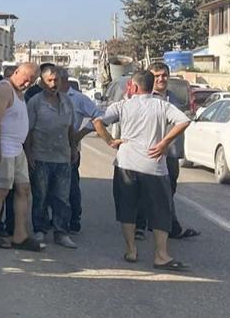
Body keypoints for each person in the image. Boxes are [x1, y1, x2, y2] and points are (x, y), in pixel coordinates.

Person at [92, 70, 191, 271]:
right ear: (152, 86)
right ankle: (161, 255)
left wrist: (111, 141)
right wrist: (164, 143)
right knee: (160, 210)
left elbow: (97, 122)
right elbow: (184, 120)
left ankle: (131, 250)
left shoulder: (122, 105)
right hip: (153, 165)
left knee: (127, 207)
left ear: (134, 87)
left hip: (126, 163)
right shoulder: (162, 105)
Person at [0, 62, 43, 251]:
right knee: (0, 191)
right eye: (26, 79)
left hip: (17, 149)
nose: (27, 84)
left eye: (32, 81)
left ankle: (20, 235)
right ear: (16, 72)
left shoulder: (19, 92)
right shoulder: (4, 89)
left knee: (23, 189)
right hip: (4, 149)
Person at [136, 62, 200, 240]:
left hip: (170, 153)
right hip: (149, 152)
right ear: (149, 78)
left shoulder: (174, 98)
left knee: (168, 190)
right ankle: (140, 226)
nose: (161, 79)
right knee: (144, 191)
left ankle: (168, 226)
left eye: (164, 75)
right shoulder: (144, 98)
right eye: (156, 76)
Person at [25, 65, 77, 248]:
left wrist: (74, 148)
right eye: (49, 80)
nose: (54, 84)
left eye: (57, 80)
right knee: (40, 196)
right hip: (41, 156)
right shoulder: (35, 103)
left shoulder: (67, 102)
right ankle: (40, 230)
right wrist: (29, 153)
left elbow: (71, 127)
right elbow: (28, 131)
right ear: (42, 82)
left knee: (62, 197)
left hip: (62, 157)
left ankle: (61, 233)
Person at [64, 68, 102, 233]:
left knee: (71, 185)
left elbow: (100, 115)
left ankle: (74, 219)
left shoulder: (78, 99)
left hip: (70, 149)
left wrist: (83, 132)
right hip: (48, 149)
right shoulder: (44, 99)